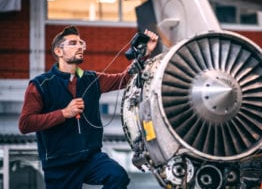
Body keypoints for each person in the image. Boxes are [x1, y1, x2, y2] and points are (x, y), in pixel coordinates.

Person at [18, 25, 159, 189]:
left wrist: (144, 54)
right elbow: (25, 124)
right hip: (60, 164)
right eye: (73, 43)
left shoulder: (92, 79)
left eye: (81, 43)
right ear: (58, 51)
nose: (79, 46)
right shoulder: (41, 85)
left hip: (90, 158)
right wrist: (64, 113)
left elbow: (125, 79)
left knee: (117, 176)